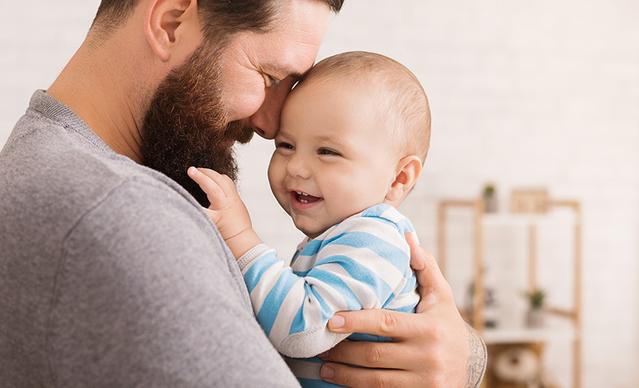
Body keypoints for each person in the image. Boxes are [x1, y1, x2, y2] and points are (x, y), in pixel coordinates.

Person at [0, 0, 486, 387]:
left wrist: (452, 354)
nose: (271, 122)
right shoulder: (120, 212)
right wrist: (461, 366)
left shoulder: (40, 163)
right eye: (270, 78)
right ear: (171, 24)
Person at [187, 51, 430, 387]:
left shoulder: (375, 238)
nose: (297, 167)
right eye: (286, 145)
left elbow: (303, 329)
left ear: (398, 178)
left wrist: (241, 238)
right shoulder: (342, 236)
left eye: (327, 152)